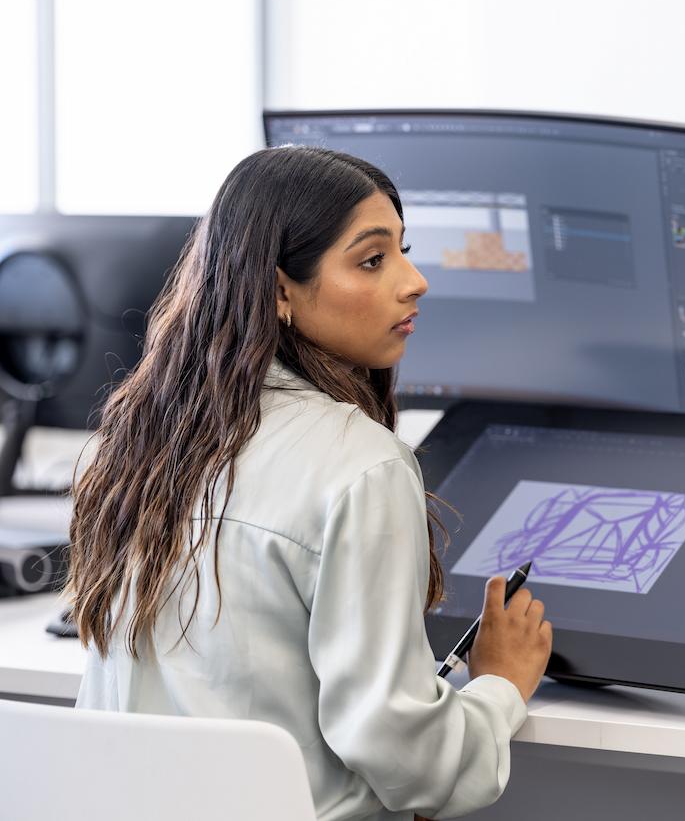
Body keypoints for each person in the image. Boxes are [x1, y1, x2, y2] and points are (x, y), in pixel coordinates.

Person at [67, 145, 552, 820]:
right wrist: (498, 686)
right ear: (278, 291)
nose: (415, 281)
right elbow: (412, 764)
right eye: (372, 260)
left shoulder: (137, 444)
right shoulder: (361, 466)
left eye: (403, 252)